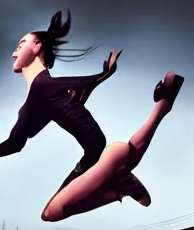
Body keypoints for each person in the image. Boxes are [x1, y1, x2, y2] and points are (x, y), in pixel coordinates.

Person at [0, 9, 148, 206]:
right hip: (94, 156)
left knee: (53, 211)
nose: (14, 53)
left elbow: (15, 143)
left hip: (97, 157)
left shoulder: (43, 86)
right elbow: (18, 141)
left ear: (37, 46)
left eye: (20, 45)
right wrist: (103, 75)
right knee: (53, 210)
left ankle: (119, 182)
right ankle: (118, 182)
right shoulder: (40, 92)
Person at [42, 71, 184, 221]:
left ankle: (114, 187)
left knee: (50, 213)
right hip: (100, 158)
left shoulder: (44, 89)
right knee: (52, 212)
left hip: (100, 156)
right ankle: (162, 106)